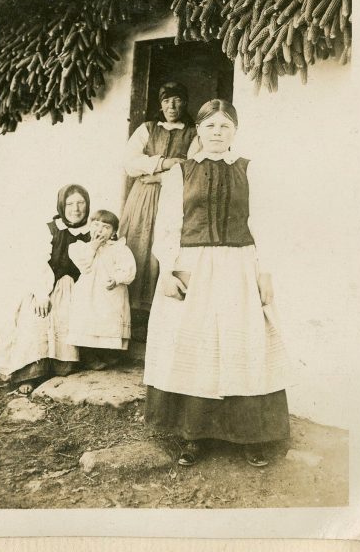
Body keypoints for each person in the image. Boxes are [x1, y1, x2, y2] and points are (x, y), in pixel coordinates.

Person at [144, 99, 290, 467]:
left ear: (234, 131)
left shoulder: (249, 170)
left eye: (224, 126)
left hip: (239, 266)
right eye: (210, 127)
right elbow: (166, 227)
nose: (217, 133)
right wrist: (168, 271)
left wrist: (265, 272)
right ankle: (193, 436)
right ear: (199, 131)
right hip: (193, 267)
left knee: (243, 346)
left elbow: (265, 224)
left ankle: (250, 436)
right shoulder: (180, 173)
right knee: (197, 346)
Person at [0, 184, 91, 394]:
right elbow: (37, 263)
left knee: (69, 323)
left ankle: (62, 367)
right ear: (62, 205)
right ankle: (30, 375)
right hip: (48, 286)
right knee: (37, 318)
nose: (76, 209)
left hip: (77, 290)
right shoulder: (51, 229)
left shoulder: (92, 231)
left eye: (81, 203)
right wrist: (42, 294)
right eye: (70, 204)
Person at [119, 81, 197, 340]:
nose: (171, 106)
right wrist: (166, 162)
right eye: (166, 101)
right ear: (160, 104)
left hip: (174, 198)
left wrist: (158, 177)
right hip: (142, 199)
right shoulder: (147, 129)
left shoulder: (194, 133)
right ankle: (133, 324)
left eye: (176, 100)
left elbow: (192, 168)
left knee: (165, 250)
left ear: (184, 102)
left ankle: (160, 324)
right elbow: (130, 163)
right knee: (138, 247)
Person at [67, 210, 136, 370]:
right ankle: (89, 356)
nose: (99, 230)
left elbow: (128, 268)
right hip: (89, 291)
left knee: (108, 319)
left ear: (113, 232)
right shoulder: (80, 247)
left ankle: (107, 353)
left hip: (110, 291)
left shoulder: (119, 248)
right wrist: (94, 246)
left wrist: (117, 279)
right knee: (89, 319)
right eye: (96, 225)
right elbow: (83, 265)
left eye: (106, 227)